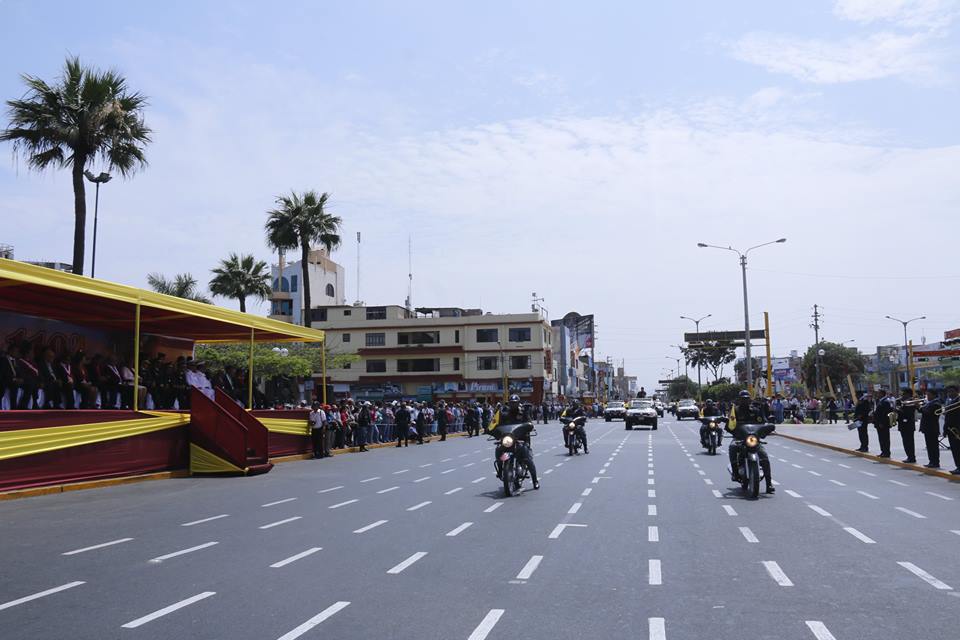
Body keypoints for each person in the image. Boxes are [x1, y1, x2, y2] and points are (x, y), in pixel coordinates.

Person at [728, 390, 775, 494]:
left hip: (753, 439)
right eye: (742, 399)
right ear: (739, 400)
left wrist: (767, 428)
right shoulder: (735, 411)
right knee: (732, 447)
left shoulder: (756, 410)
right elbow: (730, 424)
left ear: (750, 399)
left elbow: (763, 422)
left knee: (764, 456)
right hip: (740, 438)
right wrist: (731, 429)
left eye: (747, 399)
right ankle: (735, 473)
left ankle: (769, 484)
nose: (745, 401)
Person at [491, 394, 539, 489]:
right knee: (498, 450)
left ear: (518, 403)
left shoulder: (523, 412)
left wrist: (528, 426)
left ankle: (535, 480)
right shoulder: (504, 413)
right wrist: (493, 431)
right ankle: (500, 470)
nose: (513, 405)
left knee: (527, 458)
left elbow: (529, 423)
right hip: (508, 440)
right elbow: (496, 424)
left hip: (521, 439)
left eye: (515, 403)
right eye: (512, 403)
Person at [918, 389, 942, 469]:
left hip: (932, 427)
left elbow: (928, 412)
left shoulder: (936, 403)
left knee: (933, 446)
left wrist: (920, 407)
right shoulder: (929, 403)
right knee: (929, 446)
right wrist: (918, 407)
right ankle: (931, 461)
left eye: (929, 395)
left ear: (934, 395)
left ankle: (935, 462)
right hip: (928, 427)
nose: (927, 397)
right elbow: (922, 411)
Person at [896, 389, 918, 464]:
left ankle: (912, 457)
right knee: (905, 441)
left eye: (904, 394)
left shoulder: (912, 402)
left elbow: (909, 413)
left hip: (908, 424)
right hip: (902, 424)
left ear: (908, 394)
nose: (902, 396)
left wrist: (900, 409)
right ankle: (909, 456)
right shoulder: (901, 401)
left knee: (909, 441)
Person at [874, 388, 896, 458]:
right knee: (881, 438)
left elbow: (886, 413)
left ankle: (886, 452)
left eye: (878, 393)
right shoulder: (880, 401)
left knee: (885, 438)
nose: (877, 394)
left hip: (883, 424)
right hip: (878, 423)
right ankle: (883, 451)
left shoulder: (886, 401)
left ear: (882, 394)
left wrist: (882, 422)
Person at [944, 385, 960, 475]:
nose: (950, 394)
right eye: (948, 392)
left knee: (958, 449)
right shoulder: (950, 402)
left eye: (952, 391)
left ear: (957, 391)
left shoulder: (958, 401)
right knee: (954, 449)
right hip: (951, 429)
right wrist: (945, 430)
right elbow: (947, 417)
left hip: (958, 428)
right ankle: (958, 466)